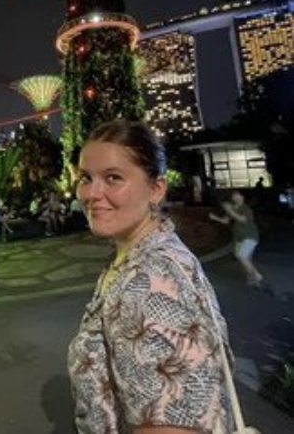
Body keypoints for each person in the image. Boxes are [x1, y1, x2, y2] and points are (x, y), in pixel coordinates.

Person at [69, 120, 233, 434]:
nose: (91, 193)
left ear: (156, 189)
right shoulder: (144, 253)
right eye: (85, 178)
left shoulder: (150, 280)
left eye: (113, 178)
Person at [209, 190, 267, 288]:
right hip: (239, 239)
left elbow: (242, 219)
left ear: (242, 197)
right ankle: (253, 280)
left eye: (238, 195)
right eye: (234, 196)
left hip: (250, 237)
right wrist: (215, 218)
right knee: (246, 259)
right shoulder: (233, 209)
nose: (236, 197)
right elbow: (225, 221)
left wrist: (230, 210)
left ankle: (257, 275)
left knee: (242, 256)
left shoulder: (245, 208)